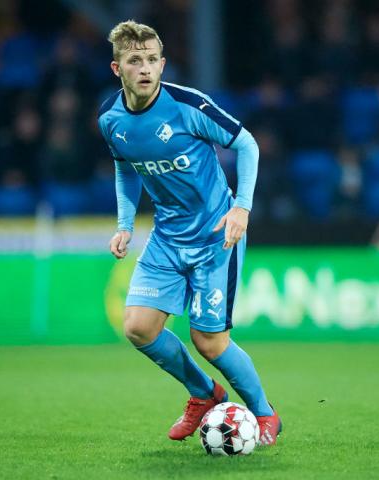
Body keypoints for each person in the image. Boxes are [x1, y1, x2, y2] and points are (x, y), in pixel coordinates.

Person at [97, 20, 282, 446]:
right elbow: (125, 167)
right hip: (167, 237)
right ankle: (204, 393)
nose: (145, 68)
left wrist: (242, 208)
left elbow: (247, 144)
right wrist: (125, 224)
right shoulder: (110, 119)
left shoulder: (188, 105)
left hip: (216, 234)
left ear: (163, 64)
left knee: (210, 342)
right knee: (138, 327)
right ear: (117, 68)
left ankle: (265, 413)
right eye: (134, 61)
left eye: (151, 60)